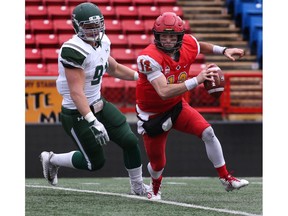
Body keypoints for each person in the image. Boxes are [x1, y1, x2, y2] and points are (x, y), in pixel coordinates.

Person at [135, 12, 249, 200]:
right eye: (164, 36)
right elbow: (163, 92)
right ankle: (154, 187)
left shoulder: (187, 43)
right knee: (158, 164)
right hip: (153, 114)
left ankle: (226, 178)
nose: (169, 40)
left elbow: (199, 46)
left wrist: (223, 50)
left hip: (177, 106)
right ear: (157, 36)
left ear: (180, 37)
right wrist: (196, 80)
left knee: (208, 132)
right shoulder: (148, 57)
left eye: (173, 36)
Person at [39, 2, 148, 196]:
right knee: (95, 163)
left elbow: (111, 67)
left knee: (130, 141)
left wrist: (138, 77)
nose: (94, 30)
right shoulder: (73, 49)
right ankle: (52, 159)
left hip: (99, 103)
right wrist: (93, 122)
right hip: (77, 112)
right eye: (89, 26)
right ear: (77, 26)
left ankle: (138, 186)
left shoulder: (103, 41)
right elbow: (76, 92)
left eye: (97, 25)